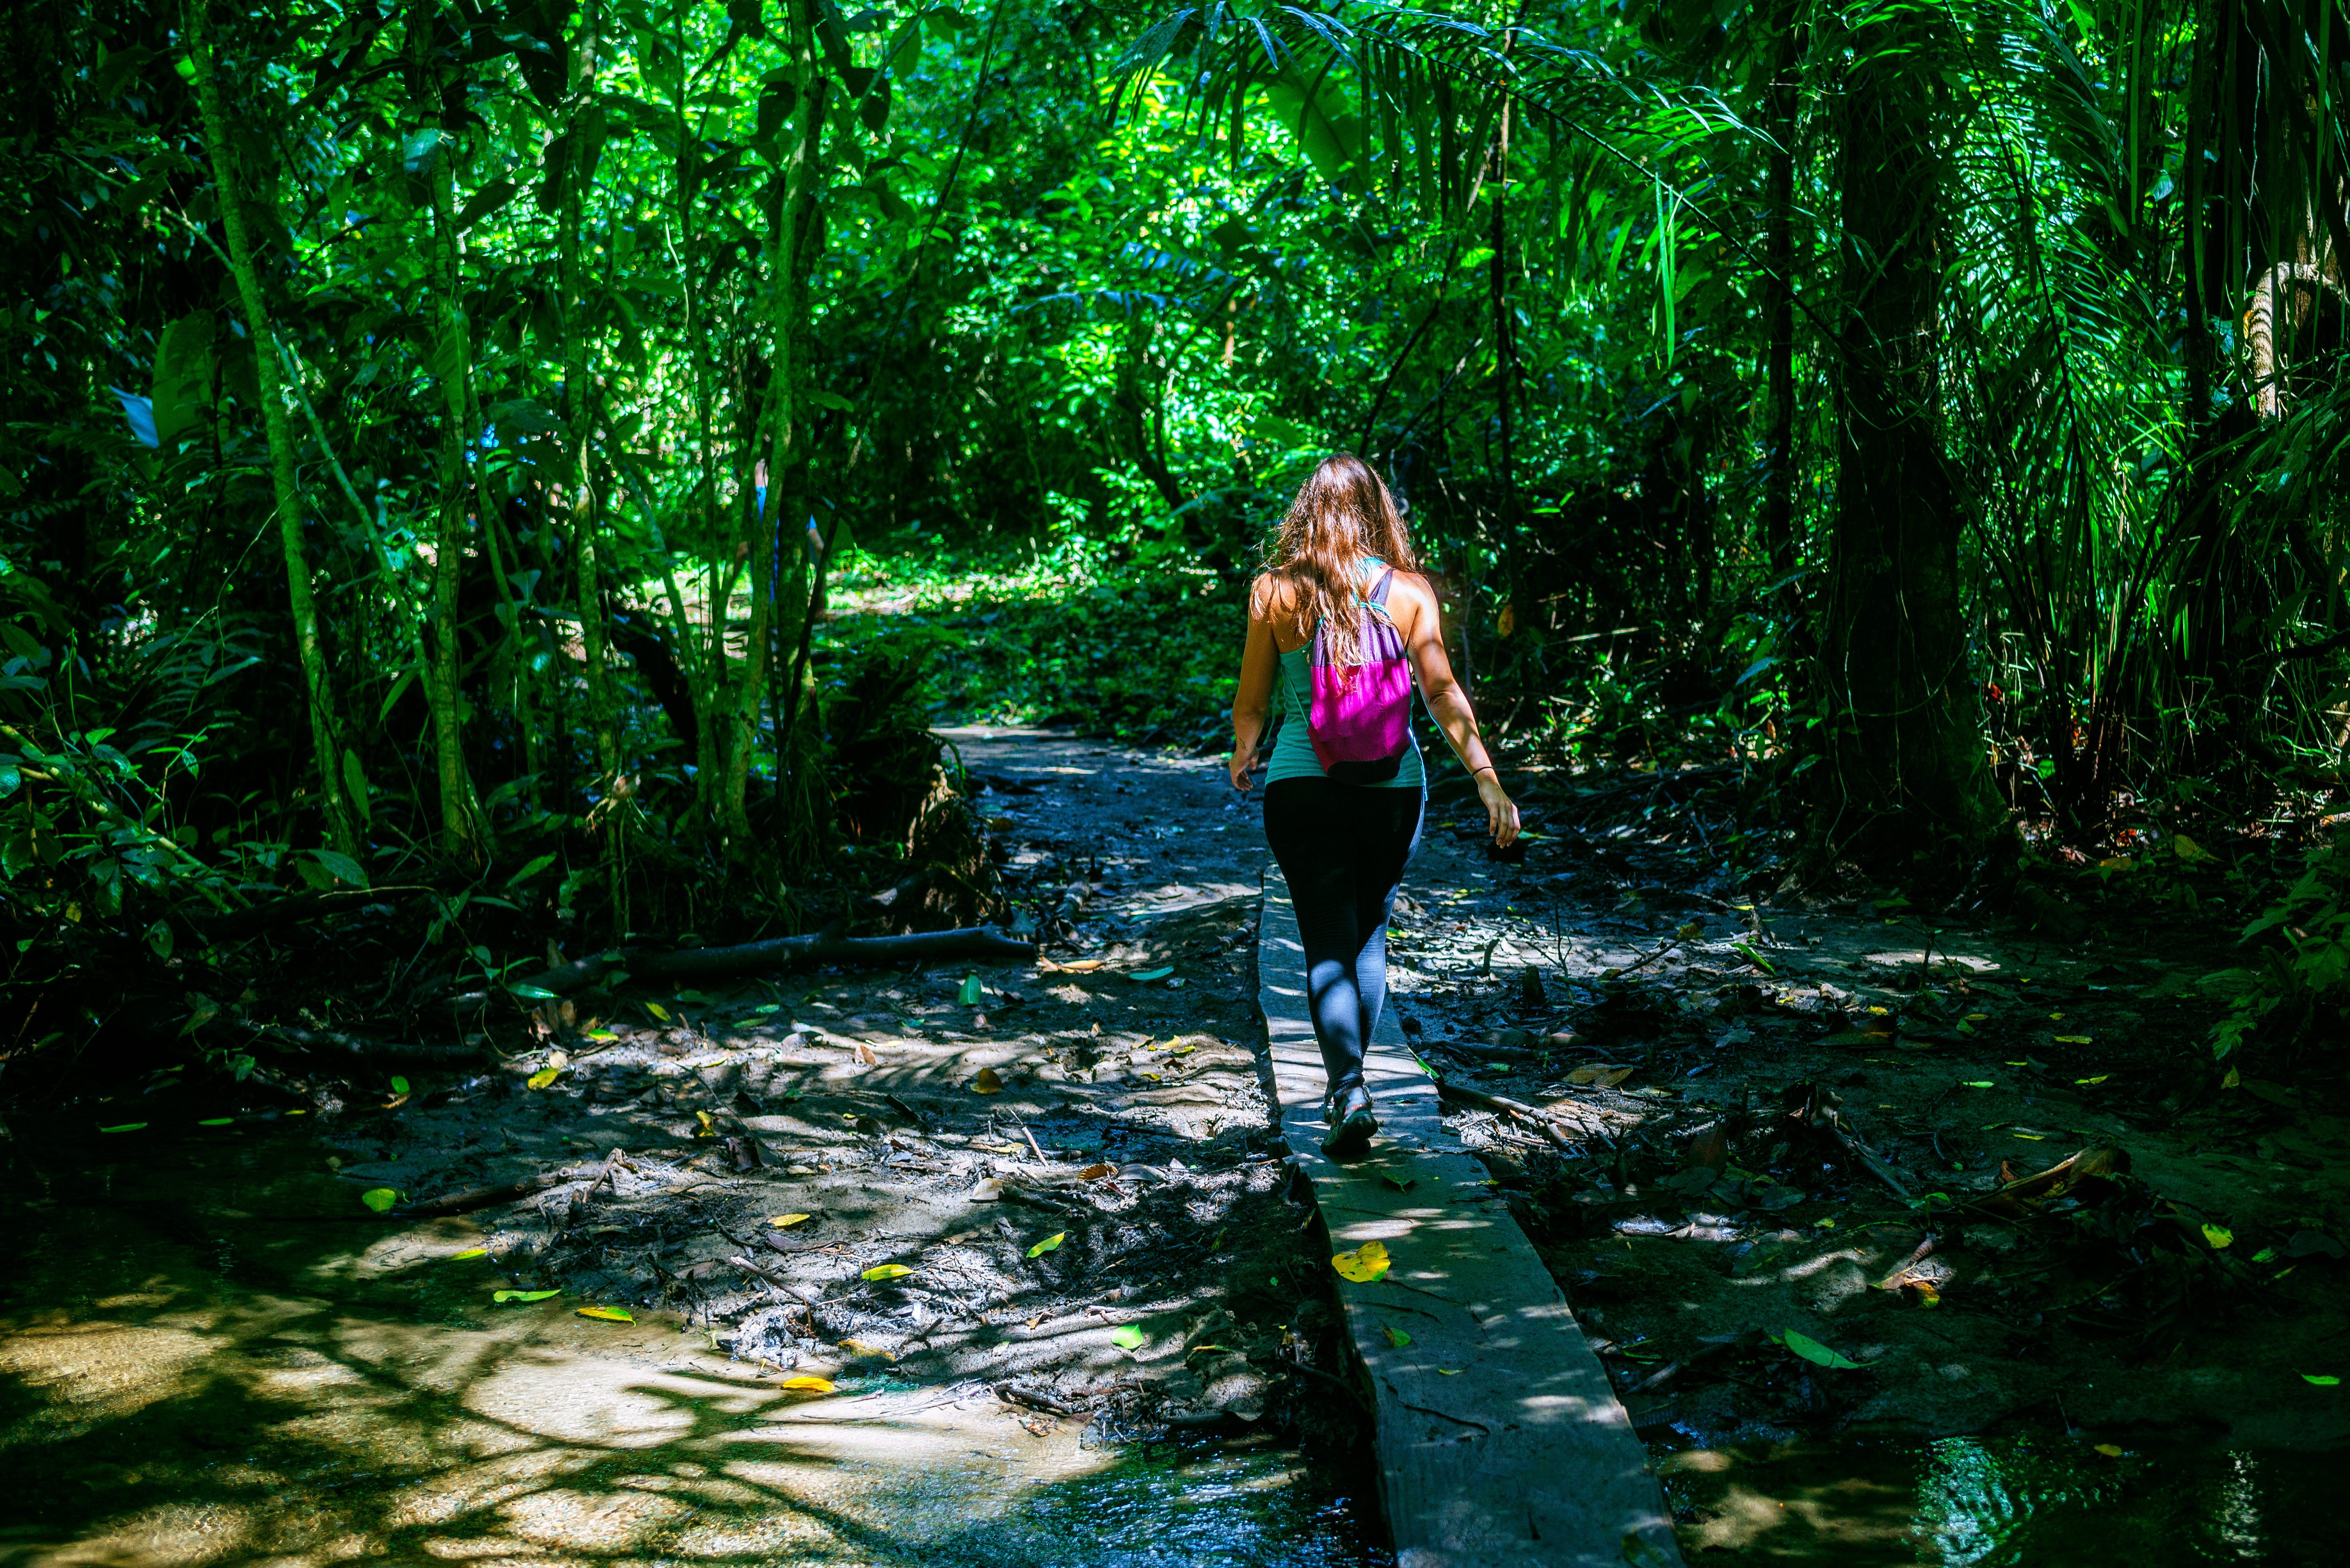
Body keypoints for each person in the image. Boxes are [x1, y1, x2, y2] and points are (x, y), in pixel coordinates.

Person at [1228, 454, 1520, 1160]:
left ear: (1305, 512)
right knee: (1367, 938)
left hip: (1301, 787)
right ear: (1373, 511)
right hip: (1393, 790)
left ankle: (1347, 1089)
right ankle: (1354, 1085)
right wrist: (1486, 777)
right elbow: (1442, 693)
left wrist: (1243, 753)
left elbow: (1253, 700)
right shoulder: (1412, 592)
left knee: (1324, 941)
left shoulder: (1273, 592)